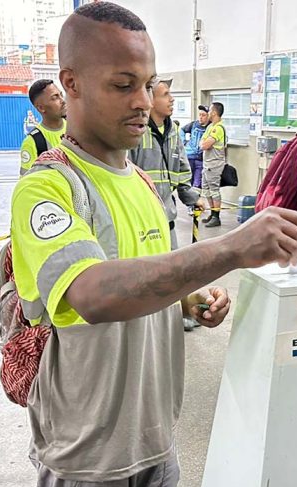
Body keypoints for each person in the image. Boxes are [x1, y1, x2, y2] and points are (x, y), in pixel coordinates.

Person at [9, 4, 297, 487]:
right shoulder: (48, 187)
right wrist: (229, 249)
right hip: (88, 454)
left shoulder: (144, 183)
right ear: (70, 84)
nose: (143, 102)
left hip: (155, 438)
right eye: (124, 85)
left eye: (148, 85)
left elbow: (149, 278)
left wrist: (190, 301)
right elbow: (93, 293)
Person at [128, 77, 202, 331]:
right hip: (140, 219)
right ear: (150, 100)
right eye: (166, 94)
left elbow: (181, 170)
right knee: (147, 274)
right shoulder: (136, 131)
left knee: (175, 270)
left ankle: (180, 313)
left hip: (166, 216)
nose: (172, 99)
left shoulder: (173, 130)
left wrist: (192, 198)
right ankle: (150, 321)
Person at [20, 79, 68, 176]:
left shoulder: (76, 129)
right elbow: (28, 182)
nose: (62, 101)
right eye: (55, 97)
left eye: (61, 95)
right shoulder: (33, 142)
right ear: (41, 108)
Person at [199, 102, 226, 228]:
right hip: (207, 164)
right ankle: (212, 213)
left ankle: (216, 217)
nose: (208, 113)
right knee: (207, 190)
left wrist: (204, 143)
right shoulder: (210, 127)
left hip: (214, 165)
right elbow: (201, 142)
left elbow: (204, 145)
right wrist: (204, 143)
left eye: (209, 110)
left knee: (214, 191)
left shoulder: (218, 128)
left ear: (214, 113)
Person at [180, 104, 209, 194]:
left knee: (197, 184)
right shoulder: (193, 124)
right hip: (190, 157)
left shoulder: (210, 127)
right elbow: (182, 130)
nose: (200, 117)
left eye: (203, 115)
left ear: (208, 116)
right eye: (199, 115)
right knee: (189, 181)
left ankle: (196, 205)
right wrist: (184, 142)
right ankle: (190, 205)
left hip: (201, 159)